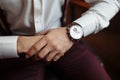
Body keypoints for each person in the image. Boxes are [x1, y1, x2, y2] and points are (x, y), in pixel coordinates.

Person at [0, 0, 119, 80]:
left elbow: (111, 1)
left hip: (65, 40)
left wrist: (73, 31)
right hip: (16, 51)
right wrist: (19, 44)